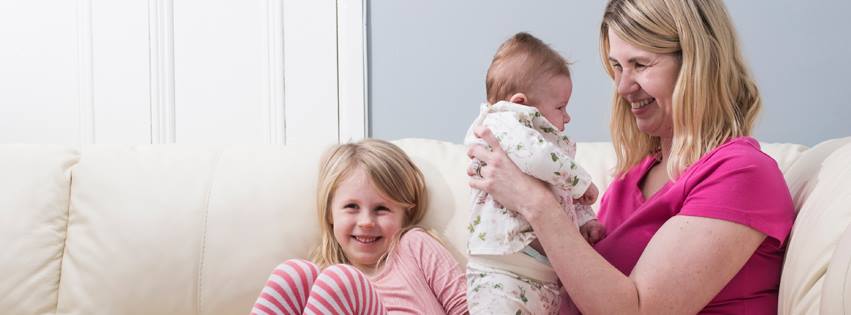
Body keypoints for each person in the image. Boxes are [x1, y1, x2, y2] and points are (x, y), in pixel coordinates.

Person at [467, 0, 796, 314]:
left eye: (640, 64)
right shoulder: (631, 180)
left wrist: (534, 203)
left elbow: (639, 310)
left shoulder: (741, 174)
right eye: (616, 67)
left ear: (697, 64)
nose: (623, 87)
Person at [463, 32, 603, 315]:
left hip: (540, 275)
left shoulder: (548, 153)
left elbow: (562, 198)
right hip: (502, 272)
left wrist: (586, 219)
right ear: (522, 104)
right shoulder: (502, 122)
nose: (568, 117)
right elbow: (537, 158)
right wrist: (580, 181)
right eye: (560, 107)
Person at [251, 139, 468, 315]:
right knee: (293, 274)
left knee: (341, 281)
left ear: (405, 213)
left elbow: (469, 308)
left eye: (381, 208)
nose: (366, 222)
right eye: (352, 206)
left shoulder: (414, 246)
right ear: (330, 213)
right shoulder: (324, 286)